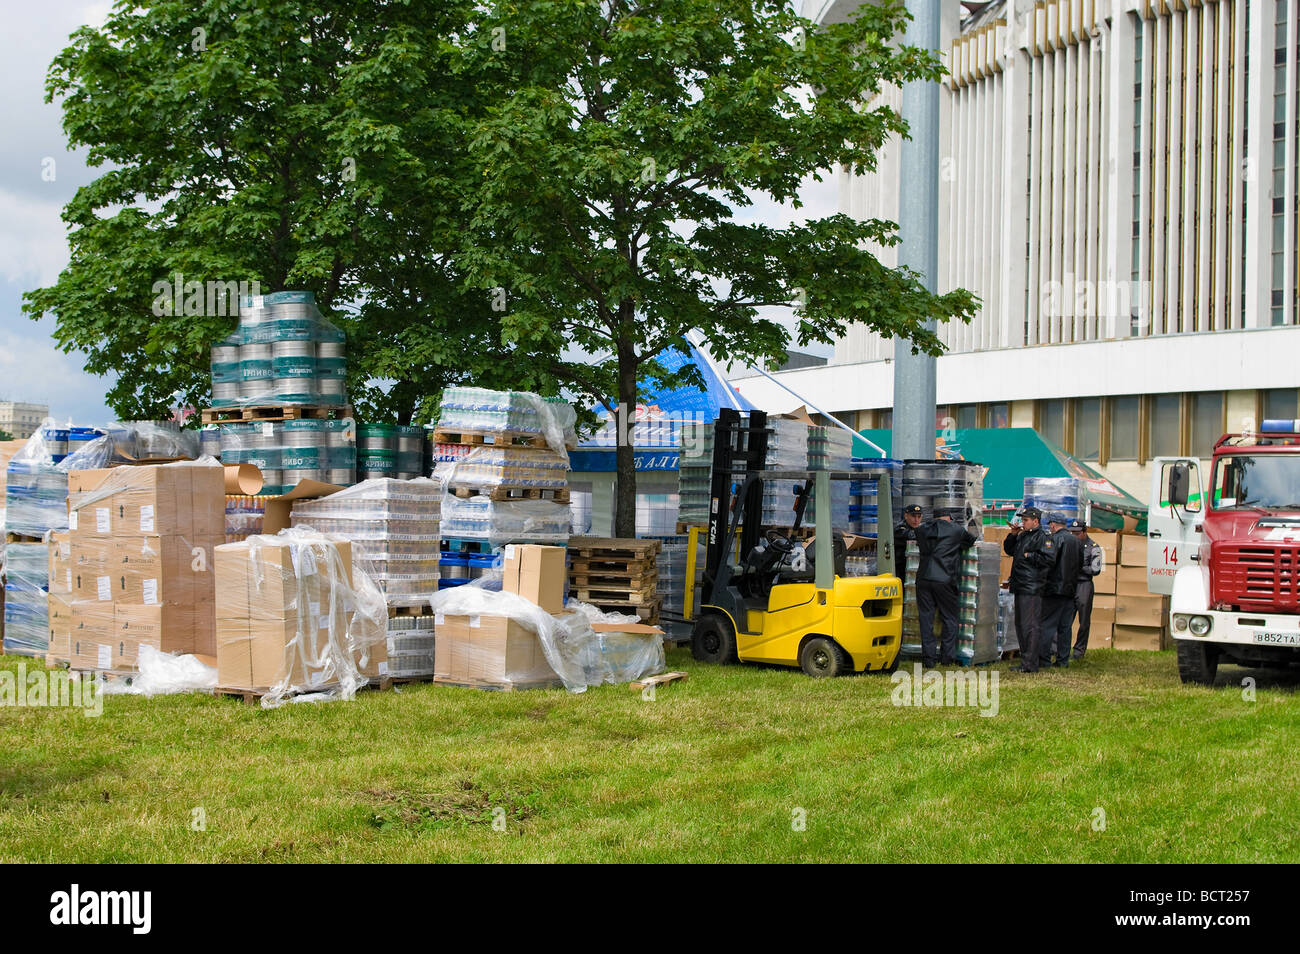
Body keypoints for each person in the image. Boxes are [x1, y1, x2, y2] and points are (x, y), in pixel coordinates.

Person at [914, 514, 977, 667]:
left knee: (926, 619)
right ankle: (946, 657)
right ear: (949, 517)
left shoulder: (921, 530)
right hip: (944, 578)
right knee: (949, 617)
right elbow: (970, 541)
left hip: (923, 578)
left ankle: (928, 659)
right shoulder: (956, 530)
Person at [1003, 506, 1054, 673]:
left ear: (1035, 521)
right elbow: (1009, 550)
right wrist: (1013, 534)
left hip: (1032, 586)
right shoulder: (1024, 535)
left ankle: (1030, 664)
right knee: (1021, 625)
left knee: (1030, 626)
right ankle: (1026, 661)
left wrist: (1028, 555)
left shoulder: (1043, 537)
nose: (1022, 523)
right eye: (1022, 520)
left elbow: (1048, 559)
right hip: (1021, 585)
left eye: (1025, 520)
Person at [1039, 511, 1083, 668]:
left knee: (1047, 625)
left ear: (1052, 524)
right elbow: (1081, 564)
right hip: (1071, 589)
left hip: (1054, 589)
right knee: (1065, 627)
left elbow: (1047, 563)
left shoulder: (1053, 539)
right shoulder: (1076, 541)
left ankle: (1043, 659)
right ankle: (1063, 660)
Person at [1069, 518, 1103, 659]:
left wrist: (1079, 567)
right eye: (1073, 533)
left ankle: (1079, 651)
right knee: (1065, 619)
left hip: (1084, 584)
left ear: (1084, 532)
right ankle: (1059, 649)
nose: (1075, 536)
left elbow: (1095, 569)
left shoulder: (1094, 547)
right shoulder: (1069, 545)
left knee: (1083, 621)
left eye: (1077, 533)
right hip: (1070, 584)